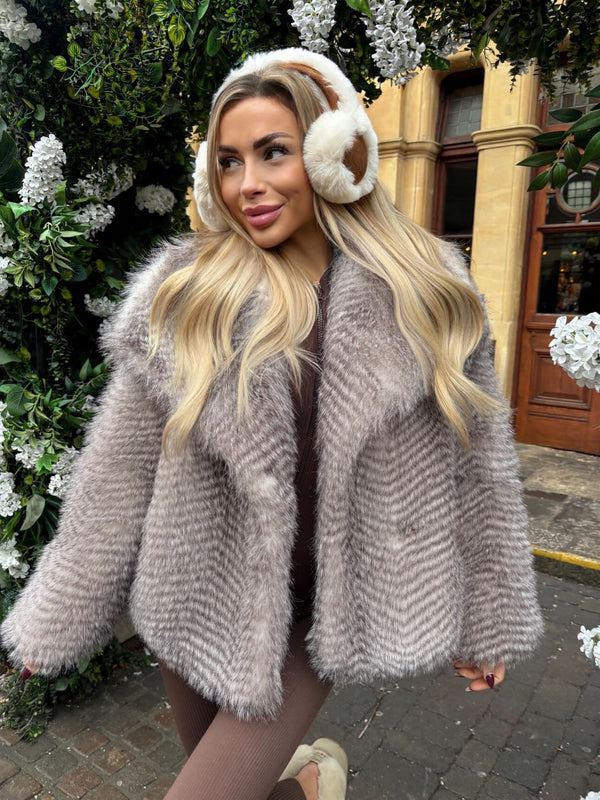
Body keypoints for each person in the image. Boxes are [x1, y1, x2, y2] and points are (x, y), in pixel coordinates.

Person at [0, 48, 543, 800]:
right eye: (228, 162)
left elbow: (480, 468)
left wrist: (488, 615)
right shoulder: (188, 292)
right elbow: (117, 473)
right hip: (192, 591)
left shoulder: (425, 296)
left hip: (319, 616)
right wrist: (56, 617)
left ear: (333, 157)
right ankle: (311, 783)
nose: (247, 184)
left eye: (273, 152)